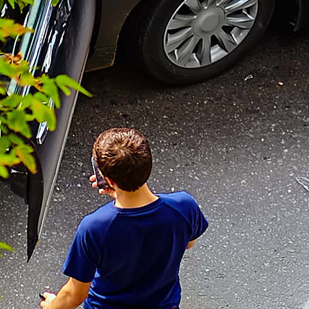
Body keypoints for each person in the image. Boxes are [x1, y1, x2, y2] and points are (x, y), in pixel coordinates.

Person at [40, 128, 207, 309]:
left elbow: (75, 294)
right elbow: (188, 242)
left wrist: (51, 305)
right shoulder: (183, 206)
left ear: (109, 181)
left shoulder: (95, 227)